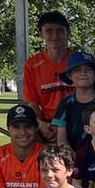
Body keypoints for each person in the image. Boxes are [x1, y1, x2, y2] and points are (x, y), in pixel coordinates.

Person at [21, 11, 73, 139]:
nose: (55, 35)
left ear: (68, 32)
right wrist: (41, 125)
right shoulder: (32, 65)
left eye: (60, 30)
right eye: (49, 30)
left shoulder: (78, 60)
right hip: (48, 124)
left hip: (77, 122)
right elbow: (32, 103)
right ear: (40, 34)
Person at [52, 51, 95, 148]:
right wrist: (68, 158)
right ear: (70, 75)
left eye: (88, 70)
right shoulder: (65, 103)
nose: (83, 73)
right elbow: (61, 140)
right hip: (70, 157)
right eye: (77, 70)